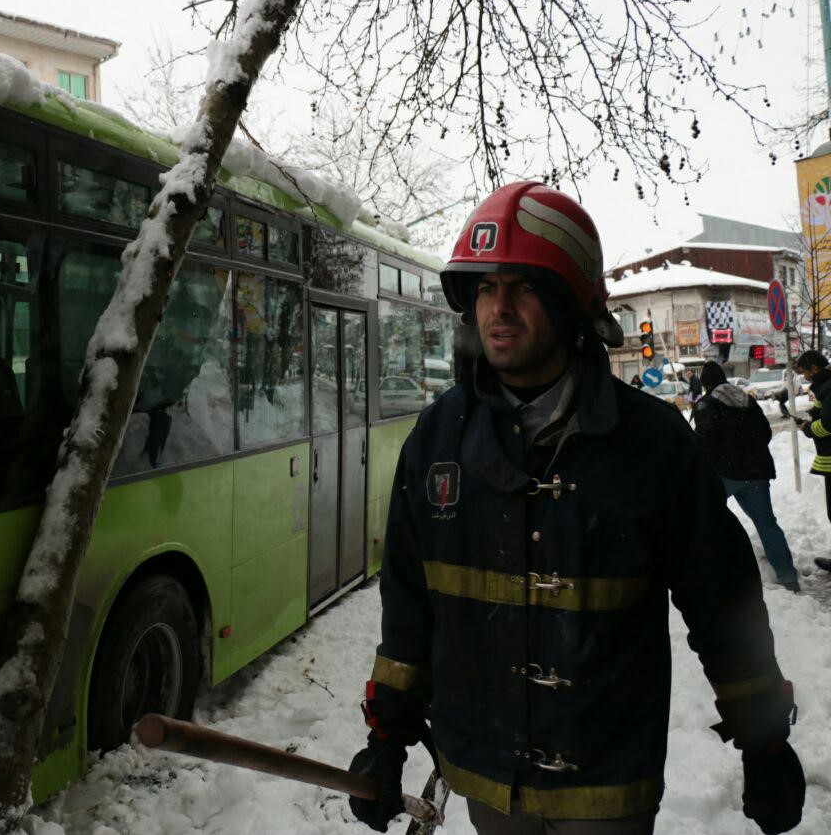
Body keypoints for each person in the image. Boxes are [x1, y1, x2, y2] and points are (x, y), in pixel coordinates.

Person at [348, 182, 803, 835]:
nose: (497, 308)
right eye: (484, 288)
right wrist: (387, 733)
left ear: (570, 304)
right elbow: (410, 603)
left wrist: (764, 739)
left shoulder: (651, 443)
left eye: (523, 286)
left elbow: (720, 596)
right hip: (486, 779)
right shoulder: (436, 440)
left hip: (607, 784)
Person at [692, 361, 800, 592]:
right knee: (767, 524)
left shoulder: (706, 405)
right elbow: (766, 433)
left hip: (725, 475)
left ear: (706, 385)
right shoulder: (748, 400)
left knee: (706, 520)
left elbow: (703, 443)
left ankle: (713, 575)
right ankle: (788, 577)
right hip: (757, 472)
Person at [794, 350, 831, 573]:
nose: (805, 376)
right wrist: (813, 412)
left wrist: (809, 429)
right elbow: (822, 411)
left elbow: (827, 425)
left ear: (815, 369)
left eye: (805, 371)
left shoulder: (828, 388)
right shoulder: (824, 387)